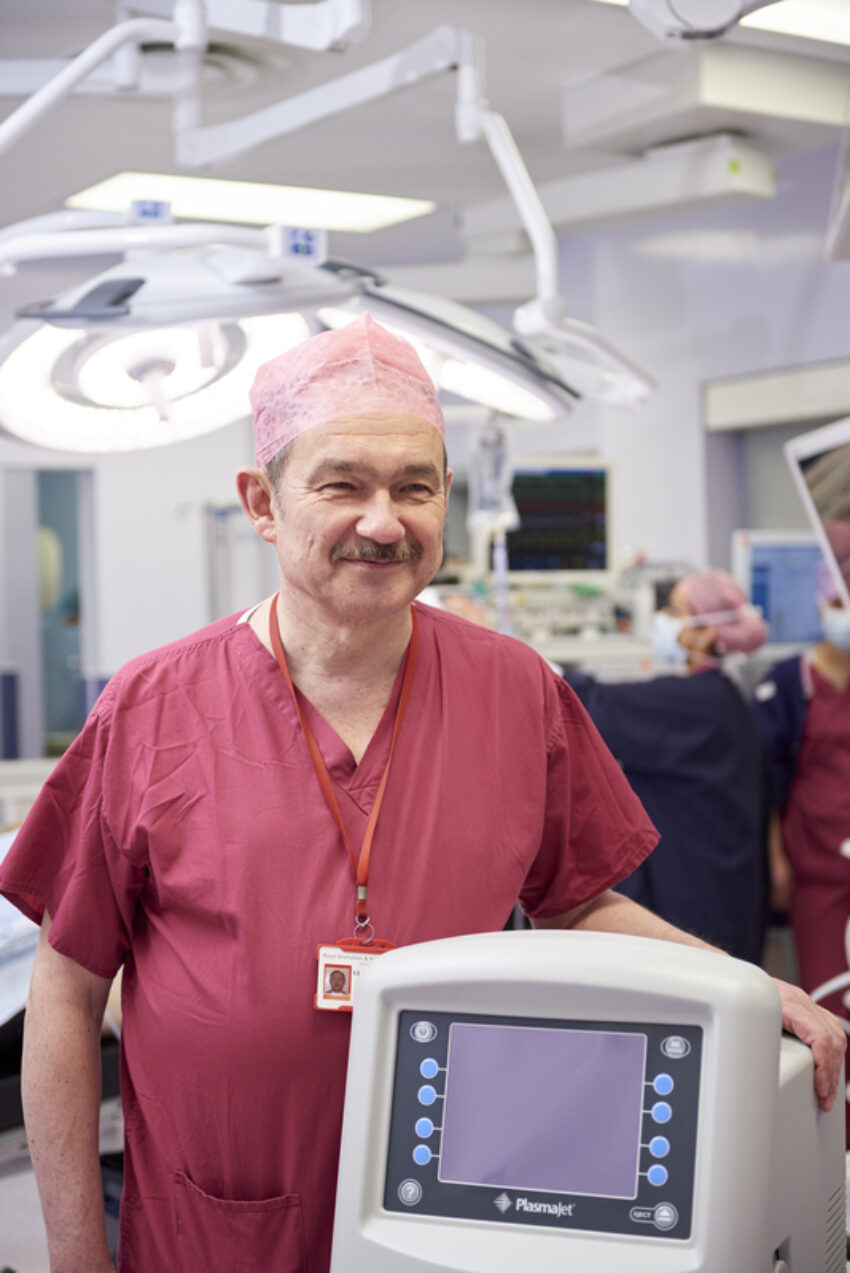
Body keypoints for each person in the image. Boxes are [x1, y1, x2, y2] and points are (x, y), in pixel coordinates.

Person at [0, 317, 842, 1273]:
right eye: (342, 484)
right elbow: (66, 991)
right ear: (262, 503)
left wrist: (744, 986)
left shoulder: (519, 692)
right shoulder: (154, 708)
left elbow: (582, 904)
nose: (383, 521)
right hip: (215, 1228)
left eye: (415, 487)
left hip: (459, 1220)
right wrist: (76, 1256)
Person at [562, 569, 771, 963]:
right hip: (720, 883)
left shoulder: (697, 701)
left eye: (675, 609)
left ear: (706, 632)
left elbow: (590, 703)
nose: (664, 617)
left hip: (693, 893)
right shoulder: (722, 694)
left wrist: (513, 655)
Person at [753, 561, 850, 1037]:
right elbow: (767, 783)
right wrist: (776, 861)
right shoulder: (791, 683)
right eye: (837, 603)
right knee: (828, 1004)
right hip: (818, 870)